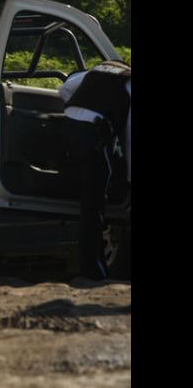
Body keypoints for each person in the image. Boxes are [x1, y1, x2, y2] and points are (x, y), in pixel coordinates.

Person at [58, 60, 131, 280]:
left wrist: (81, 108)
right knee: (93, 206)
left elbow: (65, 88)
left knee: (86, 195)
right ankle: (92, 271)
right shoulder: (128, 87)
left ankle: (91, 266)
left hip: (68, 127)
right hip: (93, 134)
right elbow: (128, 138)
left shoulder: (107, 69)